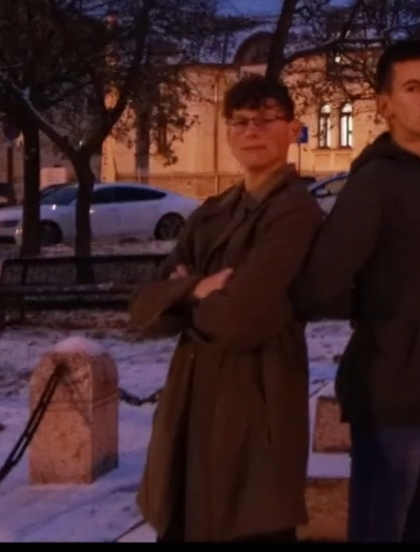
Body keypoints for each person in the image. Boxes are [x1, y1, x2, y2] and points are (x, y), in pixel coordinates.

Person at [286, 39, 420, 542]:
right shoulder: (376, 181)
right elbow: (319, 285)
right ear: (385, 104)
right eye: (412, 88)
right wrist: (382, 311)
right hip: (394, 399)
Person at [127, 73, 325, 543]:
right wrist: (199, 288)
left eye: (265, 119)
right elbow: (143, 312)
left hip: (254, 416)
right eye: (240, 121)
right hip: (188, 413)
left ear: (292, 129)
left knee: (249, 527)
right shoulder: (213, 213)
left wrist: (181, 295)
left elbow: (241, 321)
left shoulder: (295, 213)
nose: (252, 131)